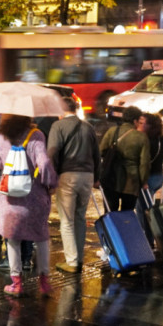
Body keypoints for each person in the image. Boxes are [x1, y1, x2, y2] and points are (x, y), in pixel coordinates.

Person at [0, 114, 58, 296]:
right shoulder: (36, 135)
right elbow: (43, 163)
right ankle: (44, 283)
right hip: (34, 196)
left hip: (10, 197)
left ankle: (16, 283)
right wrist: (51, 183)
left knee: (12, 239)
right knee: (41, 237)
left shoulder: (2, 136)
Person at [47, 98, 100, 274]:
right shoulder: (88, 127)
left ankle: (72, 261)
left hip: (67, 176)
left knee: (67, 221)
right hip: (87, 176)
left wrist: (50, 178)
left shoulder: (58, 126)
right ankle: (79, 258)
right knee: (80, 218)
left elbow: (52, 152)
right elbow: (96, 155)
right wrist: (96, 178)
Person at [0, 117, 34, 272]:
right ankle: (26, 258)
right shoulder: (30, 123)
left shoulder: (0, 121)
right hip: (26, 176)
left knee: (10, 216)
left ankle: (11, 259)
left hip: (6, 176)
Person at [99, 106, 150, 211]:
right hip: (131, 182)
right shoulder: (141, 137)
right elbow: (144, 163)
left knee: (110, 213)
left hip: (111, 179)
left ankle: (111, 228)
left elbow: (101, 151)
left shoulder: (112, 131)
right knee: (127, 214)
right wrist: (143, 181)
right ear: (135, 121)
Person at [135, 113, 163, 247]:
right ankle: (150, 240)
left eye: (143, 122)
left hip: (147, 179)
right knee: (148, 208)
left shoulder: (146, 140)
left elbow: (144, 162)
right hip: (158, 177)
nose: (139, 125)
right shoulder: (159, 138)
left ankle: (147, 242)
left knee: (143, 211)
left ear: (150, 126)